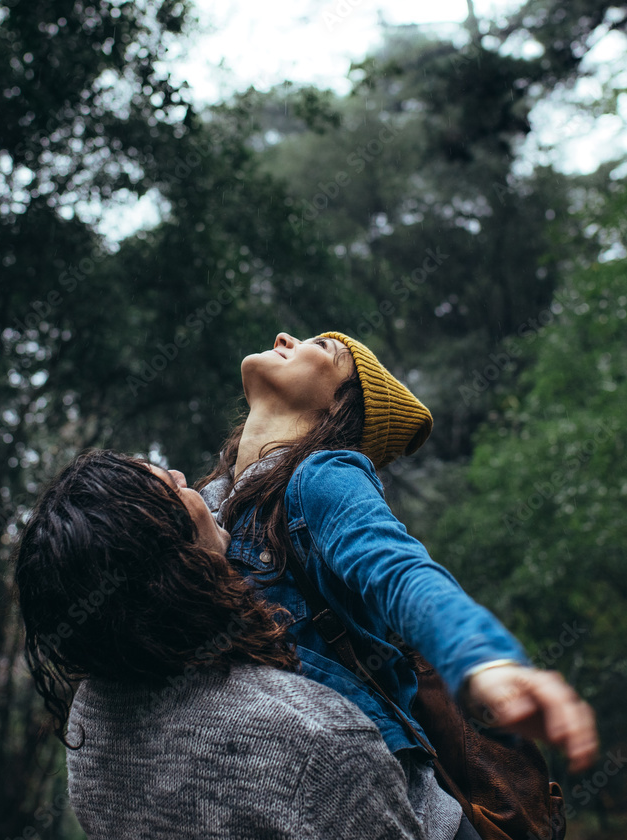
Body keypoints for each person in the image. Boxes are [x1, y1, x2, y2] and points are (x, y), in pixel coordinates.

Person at [197, 330, 599, 840]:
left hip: (393, 812)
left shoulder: (321, 475)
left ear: (338, 407)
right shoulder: (201, 508)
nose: (284, 336)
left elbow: (397, 568)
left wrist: (484, 659)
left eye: (323, 348)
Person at [14, 448, 430, 840]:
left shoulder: (88, 726)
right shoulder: (314, 736)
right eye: (174, 488)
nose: (182, 476)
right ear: (178, 567)